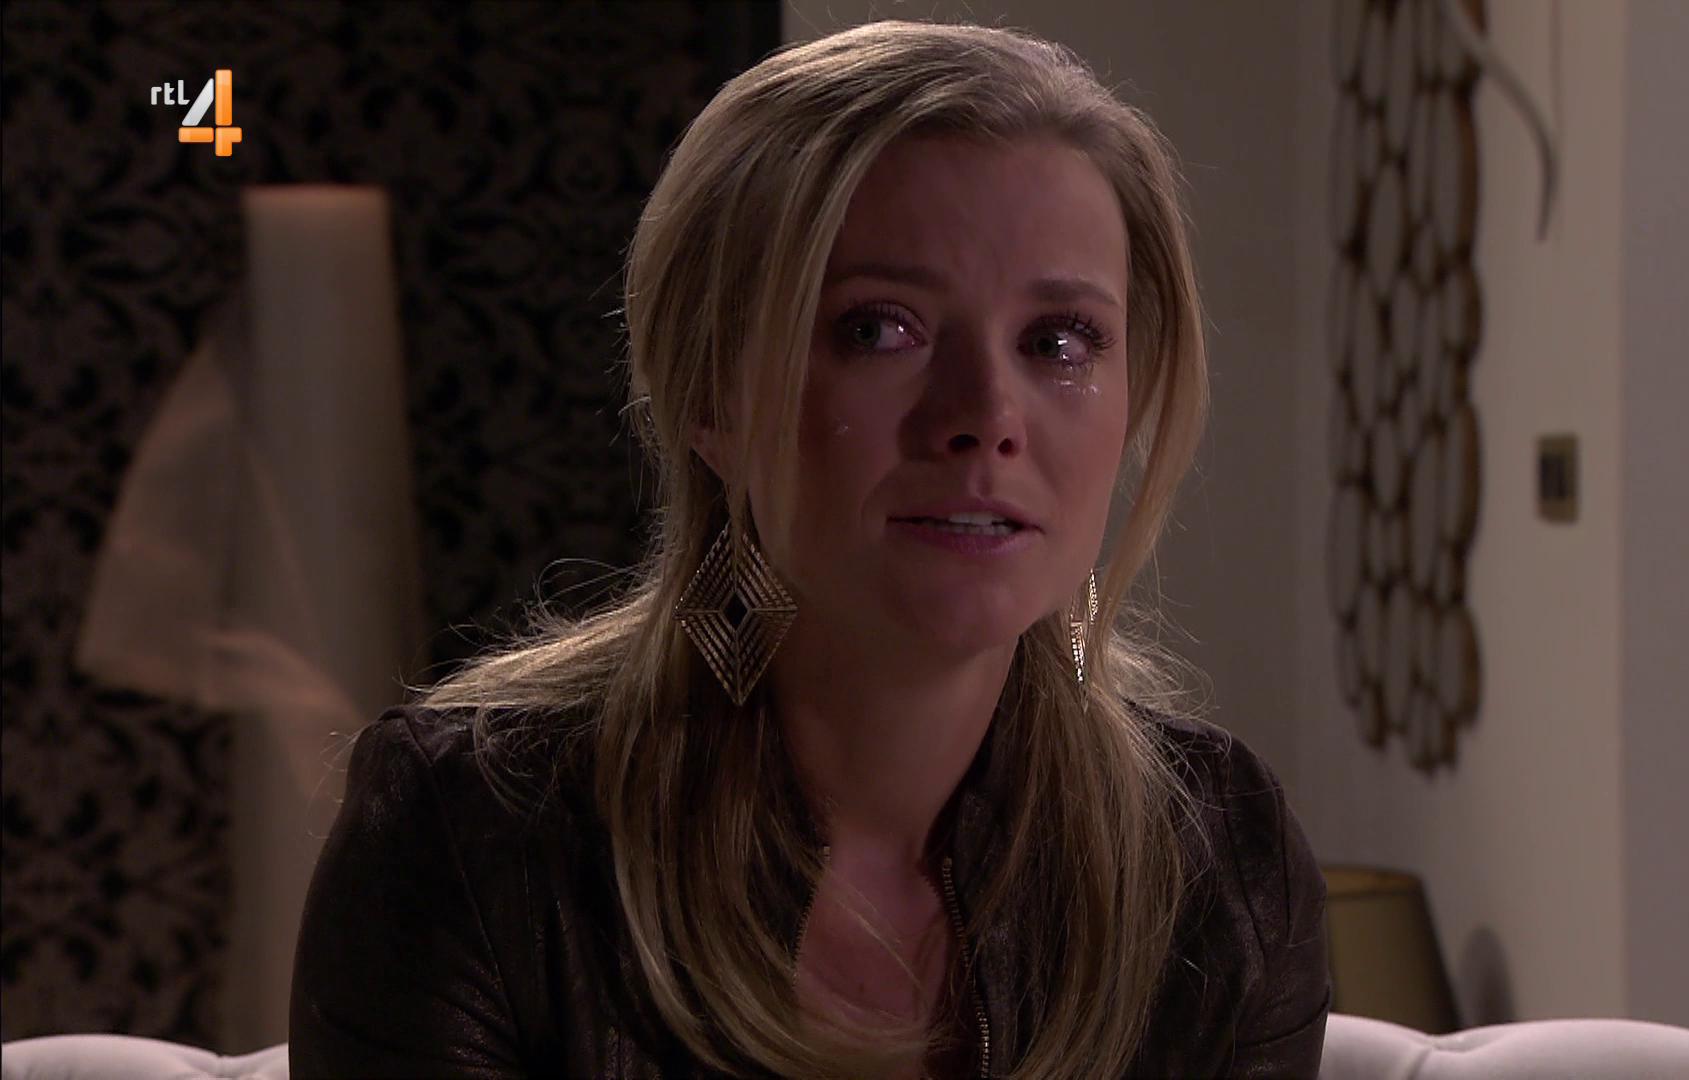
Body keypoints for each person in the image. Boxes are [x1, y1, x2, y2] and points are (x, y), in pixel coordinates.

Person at [289, 18, 1329, 1080]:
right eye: (879, 329)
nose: (986, 416)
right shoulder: (477, 839)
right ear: (710, 393)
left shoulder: (1219, 862)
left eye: (1058, 341)